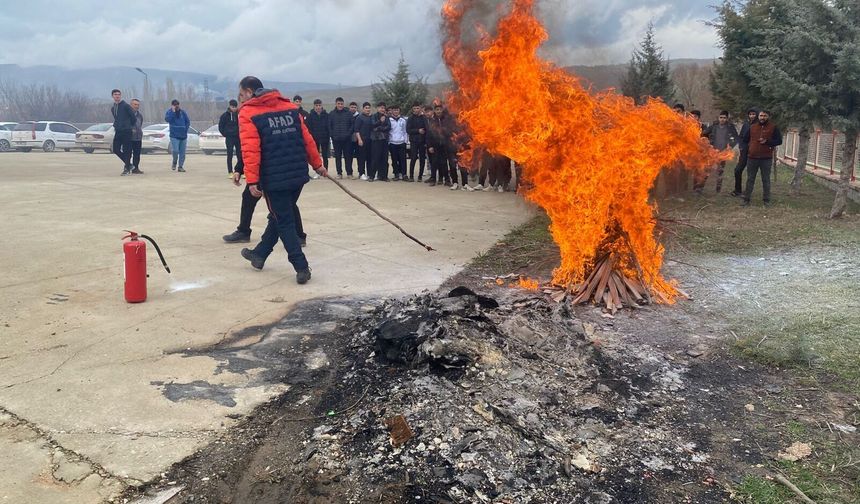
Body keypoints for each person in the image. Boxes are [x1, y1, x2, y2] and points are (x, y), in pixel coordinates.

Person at [236, 76, 325, 284]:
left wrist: (252, 180)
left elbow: (251, 149)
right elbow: (307, 139)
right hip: (298, 175)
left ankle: (301, 266)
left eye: (241, 95)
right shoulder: (290, 107)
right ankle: (259, 255)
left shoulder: (248, 113)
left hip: (274, 178)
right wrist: (317, 164)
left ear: (250, 92)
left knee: (284, 220)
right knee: (278, 215)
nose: (241, 99)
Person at [742, 110, 783, 206]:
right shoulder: (752, 127)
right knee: (750, 179)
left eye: (764, 116)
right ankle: (746, 200)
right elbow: (745, 139)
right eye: (761, 115)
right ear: (758, 116)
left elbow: (779, 141)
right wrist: (749, 148)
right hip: (752, 157)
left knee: (766, 179)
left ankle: (766, 200)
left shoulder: (773, 127)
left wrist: (768, 141)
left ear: (768, 117)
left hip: (766, 158)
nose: (762, 117)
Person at [695, 111, 738, 194]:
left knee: (720, 171)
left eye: (724, 118)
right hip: (712, 152)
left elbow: (735, 138)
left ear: (727, 119)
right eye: (721, 117)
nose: (722, 119)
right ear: (718, 118)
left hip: (723, 153)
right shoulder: (714, 127)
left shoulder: (730, 127)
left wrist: (730, 146)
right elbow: (704, 134)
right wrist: (706, 142)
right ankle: (700, 188)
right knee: (707, 170)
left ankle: (718, 190)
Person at [733, 108, 758, 196]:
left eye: (753, 114)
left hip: (754, 152)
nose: (752, 116)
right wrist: (741, 146)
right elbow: (741, 137)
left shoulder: (758, 125)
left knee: (750, 173)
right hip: (744, 151)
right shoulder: (746, 125)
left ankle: (747, 192)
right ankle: (737, 190)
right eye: (750, 114)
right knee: (737, 170)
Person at [110, 89, 135, 176]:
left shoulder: (126, 106)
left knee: (127, 150)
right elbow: (117, 119)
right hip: (118, 131)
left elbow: (133, 118)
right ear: (112, 96)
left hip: (126, 131)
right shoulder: (113, 108)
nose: (117, 96)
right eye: (115, 94)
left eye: (118, 94)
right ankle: (129, 165)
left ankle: (127, 168)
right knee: (116, 149)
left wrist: (128, 126)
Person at [328, 97, 354, 179]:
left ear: (343, 104)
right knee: (338, 157)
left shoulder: (349, 113)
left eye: (341, 104)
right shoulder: (331, 114)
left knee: (348, 157)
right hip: (336, 139)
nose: (340, 105)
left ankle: (349, 173)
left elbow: (352, 125)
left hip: (347, 139)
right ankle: (339, 173)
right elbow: (329, 126)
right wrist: (332, 135)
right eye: (338, 104)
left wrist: (348, 134)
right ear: (336, 104)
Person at [306, 99, 329, 179]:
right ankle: (318, 172)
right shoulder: (310, 115)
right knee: (316, 155)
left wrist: (328, 135)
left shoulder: (326, 115)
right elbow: (308, 127)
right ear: (314, 106)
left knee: (325, 155)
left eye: (319, 105)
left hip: (324, 138)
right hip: (315, 138)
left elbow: (328, 126)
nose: (318, 107)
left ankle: (326, 171)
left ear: (322, 106)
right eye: (316, 105)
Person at [165, 99, 190, 172]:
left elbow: (187, 121)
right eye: (175, 105)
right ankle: (174, 161)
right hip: (174, 135)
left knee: (182, 152)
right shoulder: (169, 112)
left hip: (183, 135)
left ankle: (180, 166)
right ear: (172, 105)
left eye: (177, 104)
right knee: (175, 150)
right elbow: (167, 119)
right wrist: (173, 112)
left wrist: (185, 129)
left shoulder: (183, 112)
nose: (176, 106)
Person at [219, 99, 242, 176]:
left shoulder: (239, 115)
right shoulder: (224, 116)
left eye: (235, 107)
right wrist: (226, 134)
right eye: (233, 107)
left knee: (240, 154)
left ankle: (241, 171)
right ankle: (230, 171)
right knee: (230, 155)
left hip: (238, 137)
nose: (234, 108)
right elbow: (221, 126)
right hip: (229, 138)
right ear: (229, 106)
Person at [369, 102, 391, 182]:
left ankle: (384, 176)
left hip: (384, 140)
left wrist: (378, 128)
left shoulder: (387, 117)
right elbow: (372, 126)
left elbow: (388, 127)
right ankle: (372, 176)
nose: (382, 109)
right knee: (375, 158)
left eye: (383, 108)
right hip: (376, 140)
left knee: (384, 159)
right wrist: (380, 122)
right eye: (381, 108)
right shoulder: (373, 116)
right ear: (378, 108)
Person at [407, 102, 428, 182]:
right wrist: (418, 131)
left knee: (422, 159)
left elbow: (427, 128)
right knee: (413, 158)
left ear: (420, 108)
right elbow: (408, 130)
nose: (416, 110)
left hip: (422, 141)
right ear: (412, 109)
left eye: (417, 108)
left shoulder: (424, 117)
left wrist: (424, 133)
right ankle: (411, 176)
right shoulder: (410, 118)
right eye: (414, 108)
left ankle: (420, 176)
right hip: (414, 141)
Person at [354, 102, 374, 181]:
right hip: (362, 140)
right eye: (366, 108)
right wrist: (359, 139)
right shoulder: (359, 118)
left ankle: (369, 173)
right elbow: (356, 130)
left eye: (369, 108)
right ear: (363, 109)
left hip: (371, 140)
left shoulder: (372, 117)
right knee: (362, 158)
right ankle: (361, 173)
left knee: (370, 158)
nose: (368, 109)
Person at [388, 105, 408, 181]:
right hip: (392, 143)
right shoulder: (389, 120)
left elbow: (405, 131)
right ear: (392, 111)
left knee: (403, 159)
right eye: (394, 110)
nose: (396, 111)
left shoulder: (403, 120)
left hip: (401, 142)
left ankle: (404, 174)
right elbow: (389, 131)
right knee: (394, 159)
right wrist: (389, 141)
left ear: (399, 111)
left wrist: (405, 141)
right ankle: (396, 174)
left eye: (397, 110)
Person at [129, 99, 144, 175]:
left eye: (138, 105)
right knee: (128, 154)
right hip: (129, 138)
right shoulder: (127, 114)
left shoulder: (140, 115)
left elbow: (140, 124)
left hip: (138, 138)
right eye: (135, 104)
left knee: (137, 154)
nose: (137, 106)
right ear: (131, 105)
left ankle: (136, 168)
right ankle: (127, 167)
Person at [347, 101, 360, 180]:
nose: (353, 108)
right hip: (348, 139)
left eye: (354, 107)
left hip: (358, 139)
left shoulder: (360, 116)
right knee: (349, 157)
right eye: (352, 107)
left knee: (359, 157)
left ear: (357, 108)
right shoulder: (346, 115)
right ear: (349, 107)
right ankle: (349, 173)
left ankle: (360, 173)